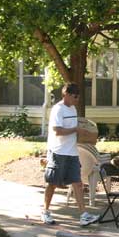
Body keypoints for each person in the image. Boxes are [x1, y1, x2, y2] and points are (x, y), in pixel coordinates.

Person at [42, 83, 98, 226]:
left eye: (78, 97)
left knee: (78, 183)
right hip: (58, 152)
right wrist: (76, 130)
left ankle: (84, 215)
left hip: (72, 152)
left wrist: (83, 134)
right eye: (75, 96)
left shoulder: (72, 109)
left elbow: (74, 129)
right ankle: (46, 212)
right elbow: (58, 131)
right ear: (66, 94)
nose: (77, 99)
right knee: (53, 183)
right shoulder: (58, 110)